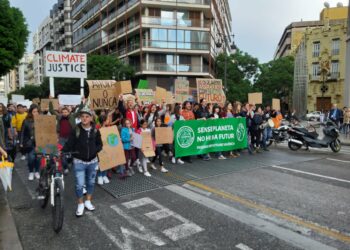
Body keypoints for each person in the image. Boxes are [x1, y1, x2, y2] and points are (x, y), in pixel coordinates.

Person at [63, 106, 103, 217]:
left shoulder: (95, 130)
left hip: (93, 162)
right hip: (79, 162)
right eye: (82, 116)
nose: (84, 118)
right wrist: (62, 151)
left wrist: (95, 150)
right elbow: (69, 144)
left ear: (91, 118)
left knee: (90, 183)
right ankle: (80, 203)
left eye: (87, 116)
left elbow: (100, 144)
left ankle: (88, 201)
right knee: (79, 185)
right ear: (80, 118)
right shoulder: (75, 130)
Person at [50, 101, 83, 175]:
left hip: (71, 139)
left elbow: (80, 110)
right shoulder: (59, 117)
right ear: (61, 113)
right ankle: (65, 167)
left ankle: (70, 162)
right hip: (62, 138)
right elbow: (51, 111)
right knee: (62, 153)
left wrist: (81, 102)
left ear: (69, 112)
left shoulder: (73, 116)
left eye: (66, 112)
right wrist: (50, 101)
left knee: (71, 152)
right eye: (63, 112)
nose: (64, 113)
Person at [20, 104, 40, 181]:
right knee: (31, 158)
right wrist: (21, 142)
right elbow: (22, 132)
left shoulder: (42, 120)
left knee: (38, 158)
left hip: (39, 142)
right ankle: (31, 172)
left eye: (37, 111)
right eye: (34, 112)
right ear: (31, 112)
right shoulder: (26, 121)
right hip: (30, 143)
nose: (36, 113)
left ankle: (37, 171)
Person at [96, 114, 110, 185]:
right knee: (101, 162)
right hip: (100, 148)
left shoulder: (108, 128)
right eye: (107, 119)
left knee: (107, 161)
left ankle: (104, 175)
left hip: (107, 148)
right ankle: (99, 176)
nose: (109, 120)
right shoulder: (98, 129)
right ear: (104, 121)